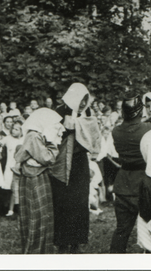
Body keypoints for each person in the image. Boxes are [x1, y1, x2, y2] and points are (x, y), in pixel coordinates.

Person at [51, 83, 101, 254]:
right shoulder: (59, 111)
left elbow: (90, 133)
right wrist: (65, 129)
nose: (82, 104)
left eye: (85, 100)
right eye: (80, 100)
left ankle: (77, 242)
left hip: (79, 161)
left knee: (79, 201)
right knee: (63, 201)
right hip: (63, 161)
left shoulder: (86, 112)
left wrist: (79, 126)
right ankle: (63, 242)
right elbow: (52, 135)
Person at [109, 92, 151, 253]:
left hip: (123, 183)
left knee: (122, 230)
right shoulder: (149, 129)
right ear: (141, 111)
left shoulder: (116, 131)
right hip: (144, 183)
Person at [14, 108, 64, 254]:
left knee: (42, 214)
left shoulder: (38, 136)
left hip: (38, 175)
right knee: (36, 215)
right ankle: (35, 249)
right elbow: (47, 158)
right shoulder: (34, 137)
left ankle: (42, 248)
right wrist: (53, 145)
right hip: (33, 178)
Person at [2, 120, 24, 216]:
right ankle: (10, 210)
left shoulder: (24, 139)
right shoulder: (7, 139)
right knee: (11, 188)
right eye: (13, 129)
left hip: (21, 166)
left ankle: (20, 210)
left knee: (20, 188)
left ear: (21, 130)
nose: (14, 131)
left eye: (16, 129)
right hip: (10, 166)